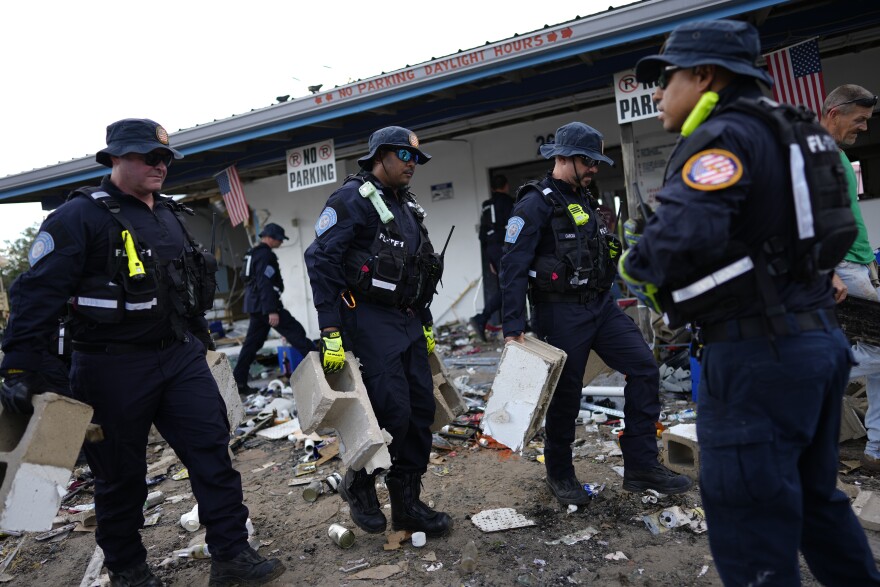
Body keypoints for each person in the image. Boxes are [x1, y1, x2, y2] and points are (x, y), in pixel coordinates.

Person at [620, 20, 880, 585]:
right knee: (817, 501)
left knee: (750, 528)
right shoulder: (803, 131)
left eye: (666, 79)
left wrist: (634, 265)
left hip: (757, 355)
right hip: (818, 340)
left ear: (706, 75)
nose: (658, 94)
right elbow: (837, 236)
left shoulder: (722, 136)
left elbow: (674, 244)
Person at [0, 119, 284, 587]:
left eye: (165, 158)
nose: (159, 165)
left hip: (178, 356)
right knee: (120, 477)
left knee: (212, 453)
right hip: (111, 365)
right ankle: (130, 571)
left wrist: (201, 345)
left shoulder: (169, 214)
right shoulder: (78, 218)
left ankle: (232, 554)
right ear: (114, 158)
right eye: (147, 157)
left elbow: (185, 288)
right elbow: (35, 296)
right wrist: (22, 368)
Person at [499, 121, 692, 506]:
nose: (594, 169)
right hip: (560, 313)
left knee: (644, 367)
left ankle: (640, 466)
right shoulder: (535, 203)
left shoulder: (584, 197)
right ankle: (560, 473)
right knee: (566, 396)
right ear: (564, 157)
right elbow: (512, 266)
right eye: (588, 162)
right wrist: (513, 327)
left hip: (600, 307)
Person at [304, 126, 452, 538]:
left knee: (421, 411)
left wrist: (424, 324)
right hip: (366, 319)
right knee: (391, 412)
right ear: (380, 155)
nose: (412, 165)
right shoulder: (352, 199)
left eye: (416, 159)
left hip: (406, 320)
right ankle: (360, 481)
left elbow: (418, 269)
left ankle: (407, 505)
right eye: (405, 157)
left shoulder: (406, 205)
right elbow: (320, 261)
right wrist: (330, 329)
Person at [821, 84, 880, 471]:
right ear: (833, 113)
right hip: (839, 265)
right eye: (858, 120)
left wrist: (869, 265)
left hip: (856, 263)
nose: (863, 128)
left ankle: (876, 450)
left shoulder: (836, 155)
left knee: (878, 350)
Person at [232, 222, 315, 393]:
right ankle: (325, 368)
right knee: (296, 332)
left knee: (251, 345)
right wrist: (271, 310)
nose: (281, 243)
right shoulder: (265, 255)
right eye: (279, 239)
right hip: (266, 306)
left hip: (256, 305)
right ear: (270, 237)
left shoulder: (253, 253)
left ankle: (238, 383)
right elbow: (264, 282)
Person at [469, 174, 513, 341]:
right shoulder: (509, 202)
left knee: (508, 286)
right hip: (505, 247)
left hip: (492, 249)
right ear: (506, 186)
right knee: (510, 286)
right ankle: (482, 318)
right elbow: (514, 229)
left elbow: (482, 235)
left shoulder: (486, 205)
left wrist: (490, 259)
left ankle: (516, 322)